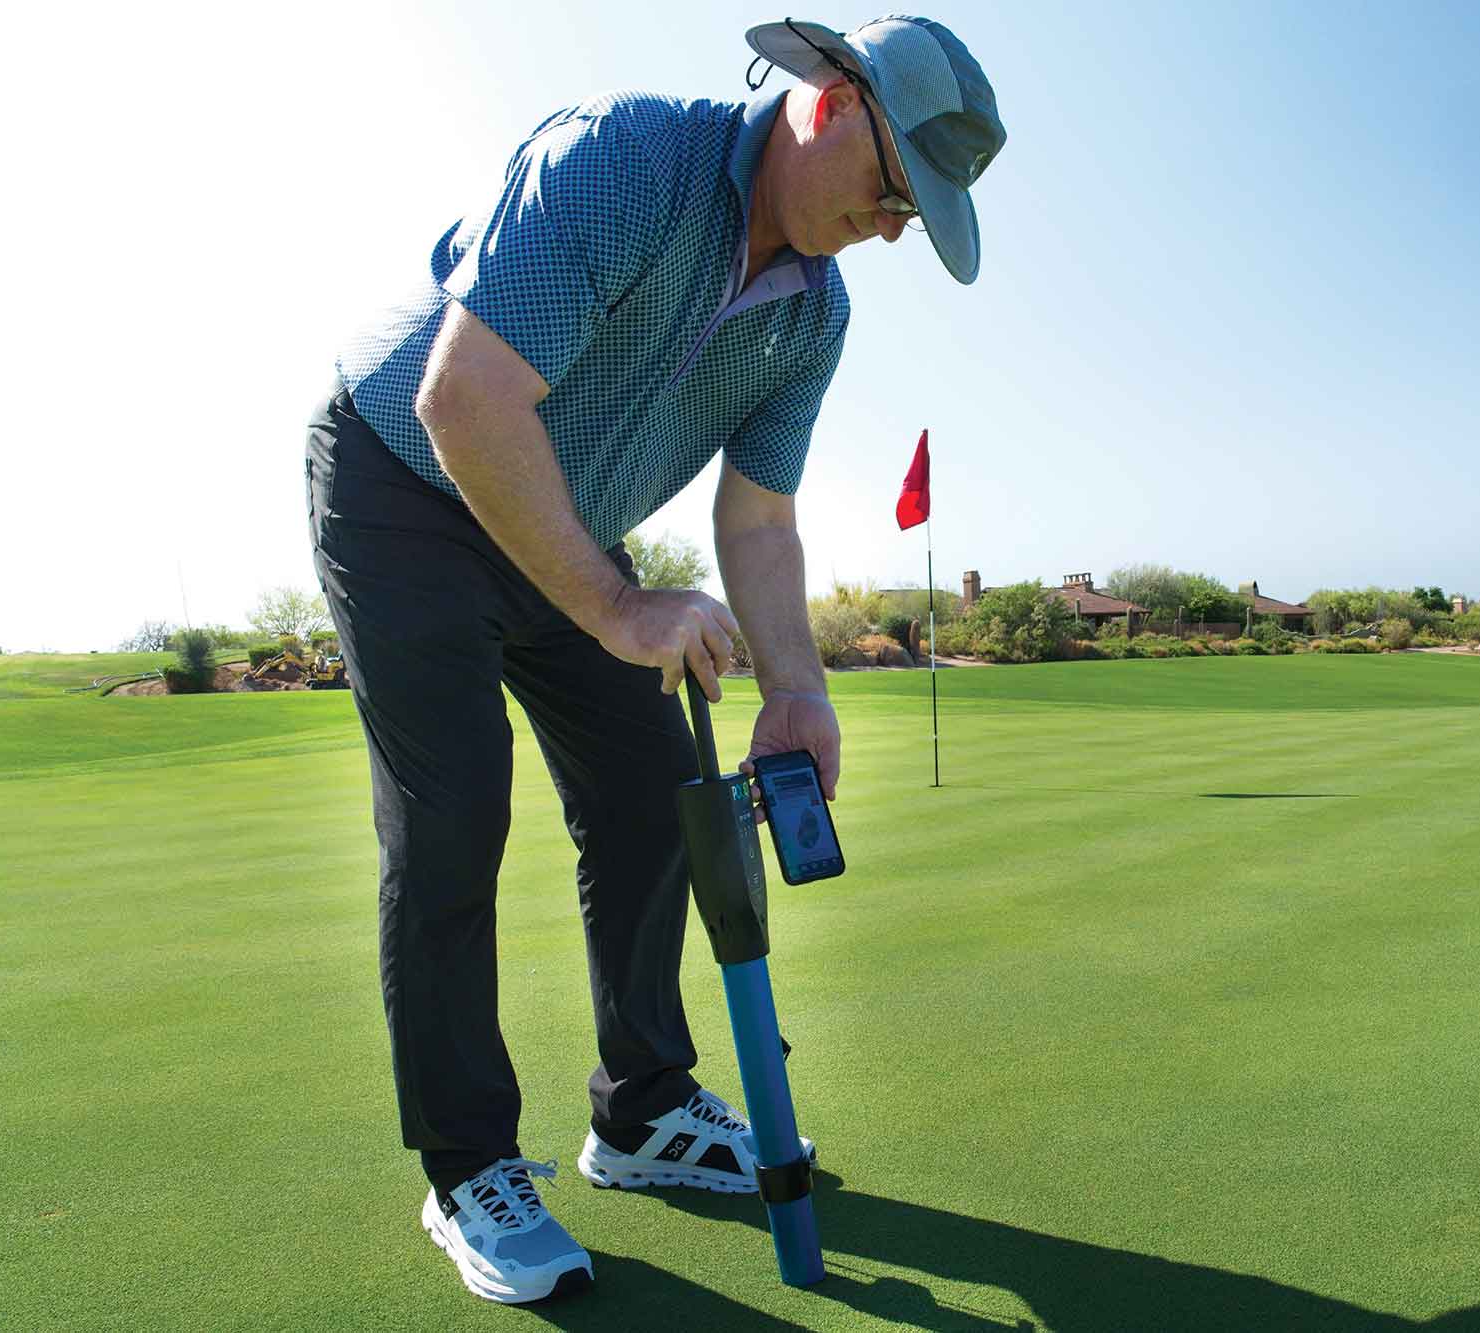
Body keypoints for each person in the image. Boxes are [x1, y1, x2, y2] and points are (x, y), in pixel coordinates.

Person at [304, 15, 1003, 1305]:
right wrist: (624, 614)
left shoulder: (813, 319)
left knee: (645, 808)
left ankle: (640, 1112)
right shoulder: (628, 159)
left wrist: (798, 686)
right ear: (831, 103)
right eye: (899, 189)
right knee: (453, 817)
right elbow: (465, 403)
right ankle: (467, 1167)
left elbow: (759, 517)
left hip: (559, 520)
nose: (898, 227)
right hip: (402, 480)